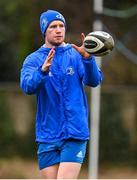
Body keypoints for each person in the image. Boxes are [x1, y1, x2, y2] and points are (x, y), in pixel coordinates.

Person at [20, 9, 103, 179]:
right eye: (53, 26)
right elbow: (27, 87)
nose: (58, 30)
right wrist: (42, 71)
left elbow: (94, 81)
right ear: (44, 30)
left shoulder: (75, 54)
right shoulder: (33, 59)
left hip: (75, 132)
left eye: (61, 26)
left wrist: (88, 59)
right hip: (47, 135)